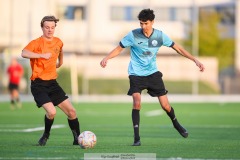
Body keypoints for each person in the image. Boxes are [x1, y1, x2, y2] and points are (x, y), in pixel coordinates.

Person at [100, 9, 205, 146]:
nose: (143, 26)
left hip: (153, 74)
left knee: (165, 106)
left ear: (152, 22)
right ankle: (137, 138)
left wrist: (194, 60)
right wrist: (106, 58)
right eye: (141, 23)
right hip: (136, 74)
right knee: (137, 102)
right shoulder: (133, 35)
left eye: (146, 23)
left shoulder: (160, 36)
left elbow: (178, 49)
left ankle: (176, 124)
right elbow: (119, 49)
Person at [21, 16, 80, 146]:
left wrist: (61, 62)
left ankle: (78, 139)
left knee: (72, 112)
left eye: (52, 27)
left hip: (53, 84)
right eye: (47, 27)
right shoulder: (36, 43)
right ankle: (45, 135)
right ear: (42, 27)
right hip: (38, 84)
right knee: (52, 112)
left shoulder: (58, 41)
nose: (50, 30)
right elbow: (24, 53)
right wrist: (40, 55)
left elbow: (60, 50)